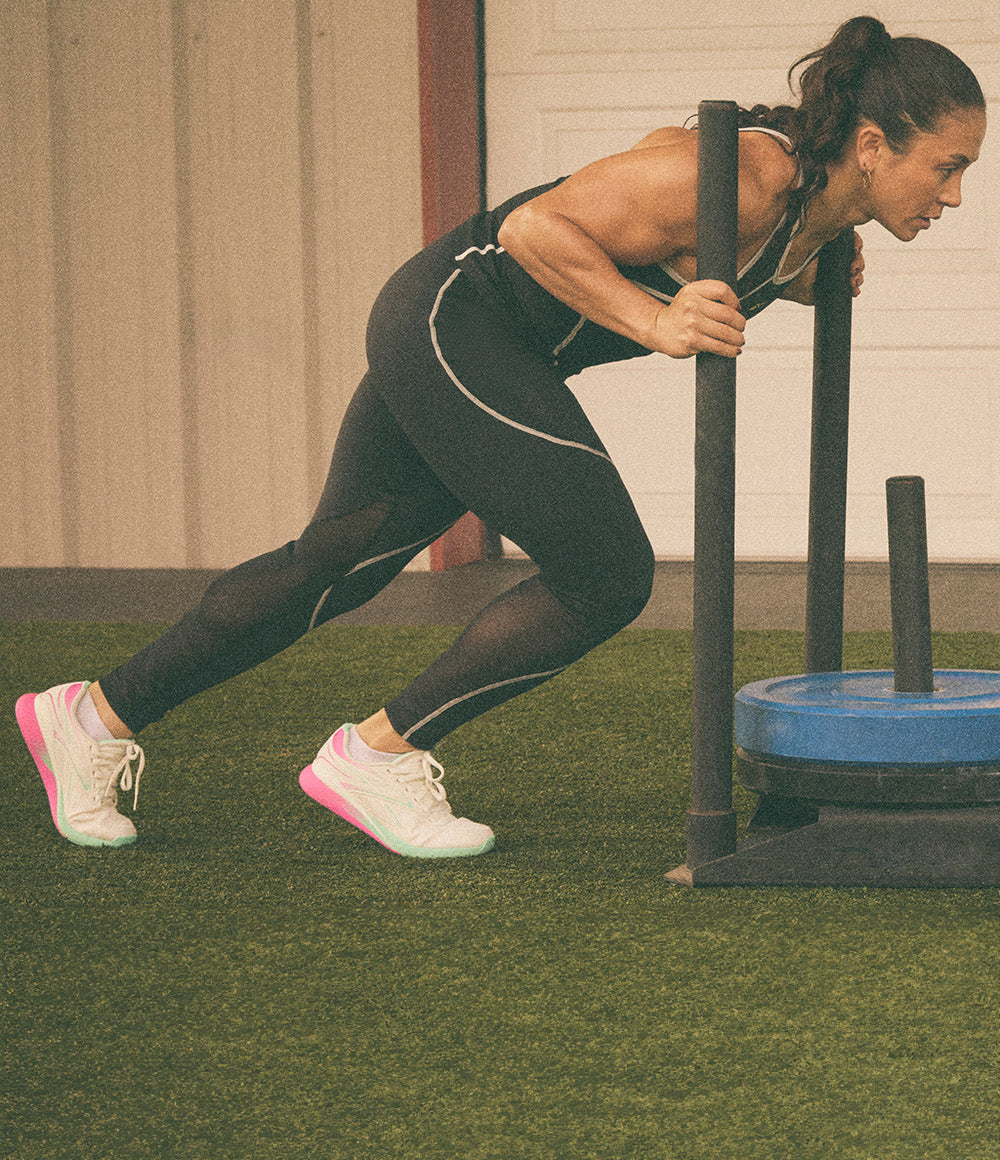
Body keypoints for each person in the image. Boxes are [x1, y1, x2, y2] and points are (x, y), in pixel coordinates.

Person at [17, 15, 985, 859]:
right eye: (945, 167)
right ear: (870, 143)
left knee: (336, 563)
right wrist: (655, 324)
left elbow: (745, 263)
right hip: (457, 317)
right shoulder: (740, 177)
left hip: (477, 338)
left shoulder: (812, 224)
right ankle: (379, 755)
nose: (952, 197)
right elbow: (532, 229)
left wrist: (808, 277)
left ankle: (87, 718)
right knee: (606, 569)